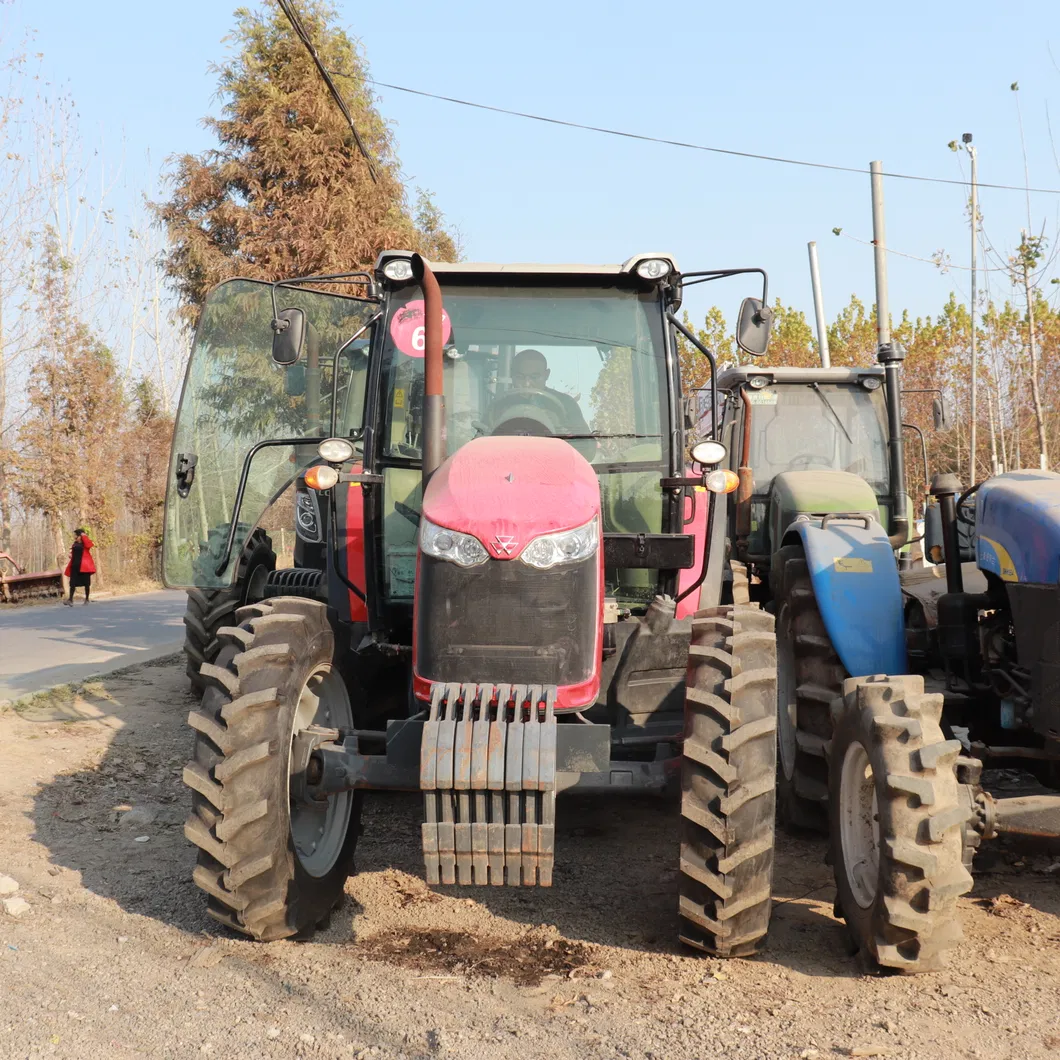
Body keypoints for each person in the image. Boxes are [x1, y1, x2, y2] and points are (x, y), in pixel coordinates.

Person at [503, 348, 591, 436]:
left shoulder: (565, 404)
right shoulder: (498, 407)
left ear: (546, 375)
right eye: (520, 377)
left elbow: (587, 446)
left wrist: (558, 428)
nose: (527, 384)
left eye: (534, 377)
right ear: (512, 375)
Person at [63, 528, 96, 606]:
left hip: (84, 567)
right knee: (72, 583)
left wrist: (84, 536)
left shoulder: (85, 544)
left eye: (76, 536)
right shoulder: (74, 544)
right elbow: (73, 552)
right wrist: (71, 555)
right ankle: (70, 600)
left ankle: (87, 599)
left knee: (86, 583)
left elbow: (90, 545)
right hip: (74, 566)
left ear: (80, 536)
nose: (75, 537)